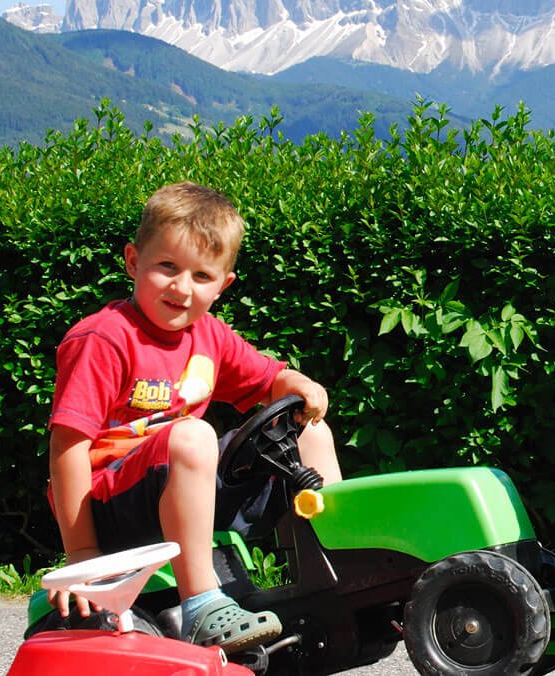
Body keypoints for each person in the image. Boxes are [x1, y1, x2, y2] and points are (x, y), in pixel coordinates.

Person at [47, 181, 343, 651]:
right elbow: (68, 447)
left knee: (309, 430)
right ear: (132, 261)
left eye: (201, 276)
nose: (182, 288)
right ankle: (201, 603)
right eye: (167, 267)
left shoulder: (209, 334)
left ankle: (342, 561)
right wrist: (84, 553)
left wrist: (302, 386)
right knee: (194, 436)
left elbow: (270, 380)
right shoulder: (104, 339)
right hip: (113, 505)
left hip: (184, 484)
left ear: (222, 285)